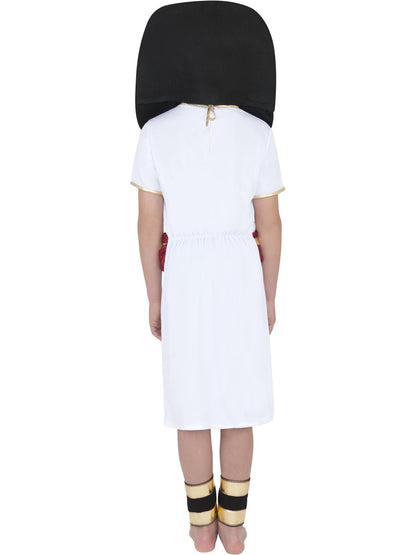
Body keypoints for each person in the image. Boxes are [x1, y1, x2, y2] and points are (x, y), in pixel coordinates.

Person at [130, 2, 285, 553]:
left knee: (191, 405)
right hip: (240, 271)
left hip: (186, 277)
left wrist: (155, 297)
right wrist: (268, 296)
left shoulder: (155, 134)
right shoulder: (257, 133)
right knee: (239, 404)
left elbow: (148, 225)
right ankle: (234, 523)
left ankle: (201, 525)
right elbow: (271, 224)